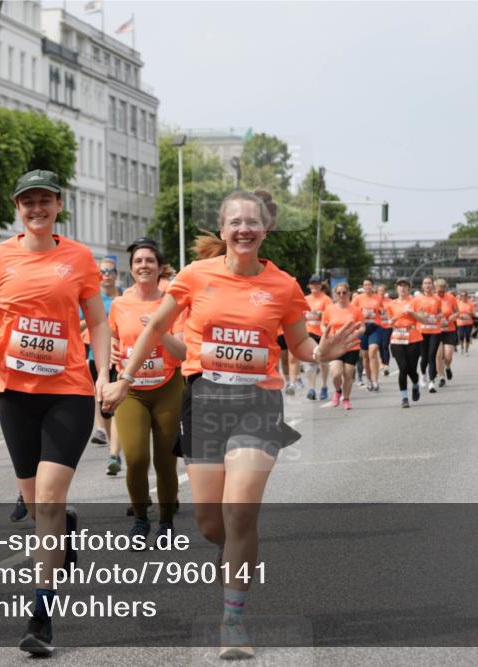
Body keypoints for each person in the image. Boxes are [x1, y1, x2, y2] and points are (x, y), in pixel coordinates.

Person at [100, 189, 358, 659]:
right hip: (205, 400)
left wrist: (321, 351)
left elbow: (299, 346)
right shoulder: (197, 276)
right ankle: (231, 552)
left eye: (252, 222)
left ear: (266, 229)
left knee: (241, 511)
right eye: (235, 221)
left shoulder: (283, 285)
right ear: (222, 231)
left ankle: (232, 620)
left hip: (258, 403)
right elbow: (157, 329)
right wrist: (124, 380)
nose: (244, 229)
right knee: (210, 522)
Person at [0, 169, 110, 655]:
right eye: (29, 202)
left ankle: (40, 617)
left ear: (59, 205)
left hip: (67, 389)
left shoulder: (79, 258)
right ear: (17, 207)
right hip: (15, 394)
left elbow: (98, 322)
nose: (37, 209)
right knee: (35, 502)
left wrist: (104, 375)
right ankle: (63, 526)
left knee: (45, 498)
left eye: (45, 200)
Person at [108, 238, 186, 548]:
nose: (144, 265)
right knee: (137, 458)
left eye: (149, 261)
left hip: (167, 385)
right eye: (138, 261)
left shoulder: (172, 303)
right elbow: (112, 340)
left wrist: (158, 330)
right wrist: (110, 358)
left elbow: (181, 352)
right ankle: (141, 518)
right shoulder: (119, 304)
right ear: (131, 269)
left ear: (159, 267)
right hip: (132, 390)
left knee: (165, 461)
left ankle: (166, 522)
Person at [82, 257, 119, 473]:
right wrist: (95, 320)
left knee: (119, 407)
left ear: (116, 274)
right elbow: (75, 327)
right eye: (103, 271)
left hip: (120, 357)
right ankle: (109, 445)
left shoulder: (124, 299)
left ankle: (114, 453)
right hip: (96, 357)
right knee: (105, 406)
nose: (106, 274)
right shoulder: (91, 299)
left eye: (110, 271)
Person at [383, 278, 424, 408]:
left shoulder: (415, 302)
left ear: (409, 288)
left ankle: (416, 384)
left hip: (413, 337)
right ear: (397, 288)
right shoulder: (391, 304)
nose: (402, 288)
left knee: (411, 369)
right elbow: (388, 320)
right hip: (397, 338)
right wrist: (391, 321)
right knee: (403, 368)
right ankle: (404, 398)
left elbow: (423, 318)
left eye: (405, 286)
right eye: (400, 285)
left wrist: (412, 312)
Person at [322, 283, 363, 409]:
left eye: (344, 292)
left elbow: (362, 326)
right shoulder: (330, 309)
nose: (341, 295)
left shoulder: (355, 310)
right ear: (335, 294)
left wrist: (358, 332)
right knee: (335, 373)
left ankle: (346, 399)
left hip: (351, 346)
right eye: (338, 293)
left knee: (348, 373)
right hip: (335, 346)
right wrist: (326, 334)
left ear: (349, 293)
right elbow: (323, 324)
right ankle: (338, 390)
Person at [303, 275, 333, 401]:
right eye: (312, 284)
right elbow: (300, 315)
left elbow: (331, 316)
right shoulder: (305, 299)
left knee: (322, 362)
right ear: (309, 286)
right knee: (310, 362)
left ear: (320, 286)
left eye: (317, 284)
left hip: (322, 334)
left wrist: (321, 314)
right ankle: (311, 389)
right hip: (308, 333)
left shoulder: (326, 300)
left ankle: (325, 386)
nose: (314, 286)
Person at [352, 278, 384, 392]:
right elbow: (352, 312)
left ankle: (375, 381)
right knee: (365, 356)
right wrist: (361, 314)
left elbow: (382, 311)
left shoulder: (378, 297)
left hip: (375, 327)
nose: (367, 287)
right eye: (365, 285)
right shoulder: (357, 299)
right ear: (363, 287)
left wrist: (379, 312)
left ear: (373, 286)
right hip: (363, 328)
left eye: (369, 285)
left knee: (373, 351)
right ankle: (369, 380)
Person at [412, 276, 442, 393]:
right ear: (422, 286)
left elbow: (440, 313)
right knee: (424, 358)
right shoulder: (417, 299)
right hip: (422, 331)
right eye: (425, 283)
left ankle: (432, 382)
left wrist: (437, 317)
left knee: (432, 356)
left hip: (435, 331)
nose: (428, 285)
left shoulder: (437, 299)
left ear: (433, 286)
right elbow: (413, 314)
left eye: (429, 283)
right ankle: (423, 374)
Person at [434, 279, 458, 387]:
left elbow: (457, 311)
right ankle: (441, 377)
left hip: (449, 330)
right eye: (439, 288)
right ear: (435, 288)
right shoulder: (433, 299)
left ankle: (447, 367)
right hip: (436, 330)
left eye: (443, 287)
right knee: (438, 355)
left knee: (448, 356)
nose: (441, 290)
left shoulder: (451, 298)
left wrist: (454, 316)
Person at [376, 283, 393, 377]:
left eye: (383, 291)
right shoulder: (374, 301)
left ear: (385, 292)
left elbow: (394, 312)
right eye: (379, 291)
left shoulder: (389, 301)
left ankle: (386, 365)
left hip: (387, 326)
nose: (381, 292)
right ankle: (382, 362)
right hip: (378, 326)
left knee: (385, 345)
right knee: (379, 346)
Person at [455, 291, 475, 355]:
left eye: (465, 295)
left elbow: (473, 313)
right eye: (462, 296)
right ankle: (462, 348)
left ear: (467, 296)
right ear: (461, 297)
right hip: (460, 323)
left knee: (467, 336)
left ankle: (466, 350)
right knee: (461, 336)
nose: (464, 297)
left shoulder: (470, 304)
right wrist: (459, 316)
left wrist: (470, 314)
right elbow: (455, 313)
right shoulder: (458, 303)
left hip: (469, 323)